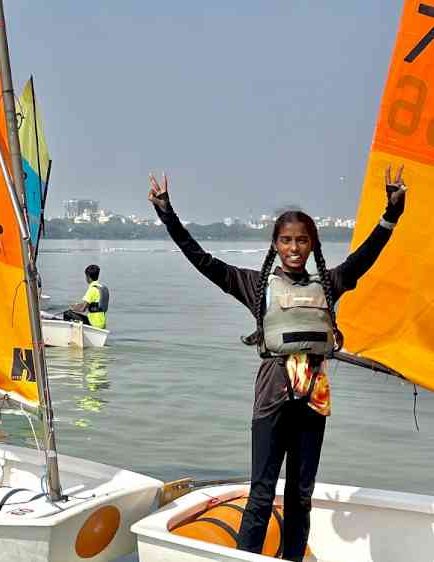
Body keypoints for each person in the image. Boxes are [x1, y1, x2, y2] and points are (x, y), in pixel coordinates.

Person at [147, 166, 407, 560]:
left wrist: (391, 214)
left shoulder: (329, 283)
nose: (294, 248)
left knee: (301, 493)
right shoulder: (255, 286)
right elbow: (203, 261)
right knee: (263, 491)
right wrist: (167, 213)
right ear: (275, 244)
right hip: (271, 396)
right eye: (286, 240)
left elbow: (365, 257)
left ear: (312, 244)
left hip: (313, 398)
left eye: (302, 240)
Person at [63, 264, 110, 329]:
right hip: (102, 324)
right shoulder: (101, 288)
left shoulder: (92, 290)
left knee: (67, 314)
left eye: (86, 276)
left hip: (93, 323)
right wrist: (76, 306)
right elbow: (89, 304)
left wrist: (72, 308)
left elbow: (83, 309)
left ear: (88, 277)